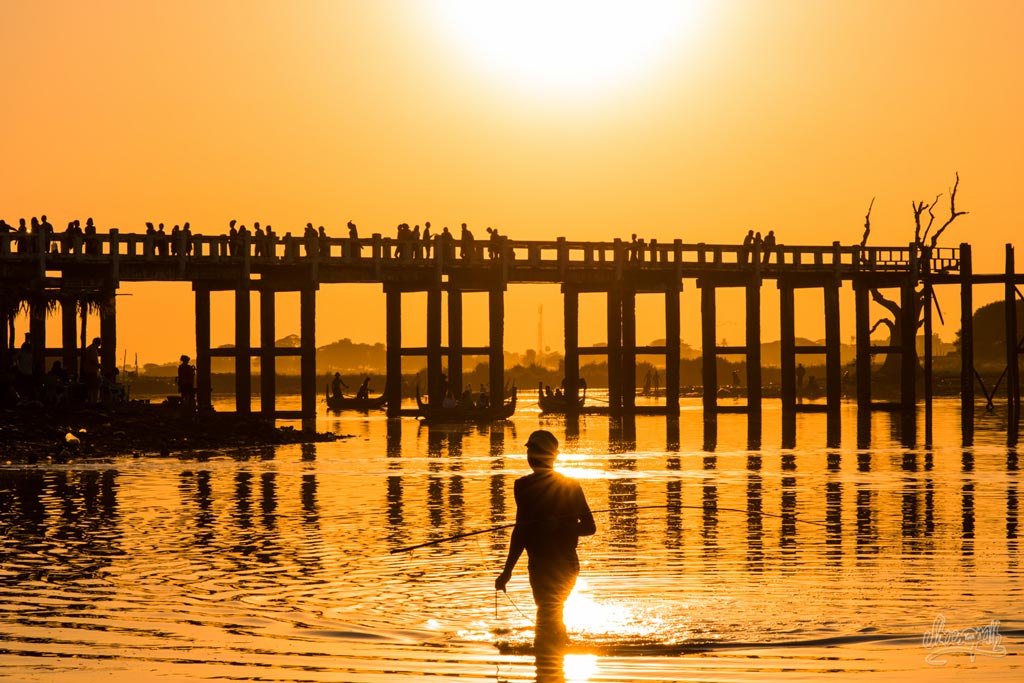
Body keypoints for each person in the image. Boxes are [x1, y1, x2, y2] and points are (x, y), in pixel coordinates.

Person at [496, 430, 596, 653]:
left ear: (548, 457)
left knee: (547, 612)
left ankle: (548, 662)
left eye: (536, 452)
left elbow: (590, 527)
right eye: (530, 451)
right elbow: (520, 531)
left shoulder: (570, 486)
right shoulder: (522, 486)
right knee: (549, 612)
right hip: (538, 565)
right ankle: (555, 657)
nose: (531, 456)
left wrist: (561, 527)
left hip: (564, 564)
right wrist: (507, 572)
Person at [82, 337, 102, 404]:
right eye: (99, 345)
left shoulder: (88, 349)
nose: (99, 347)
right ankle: (94, 401)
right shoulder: (93, 350)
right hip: (92, 371)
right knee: (94, 387)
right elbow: (93, 361)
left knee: (90, 387)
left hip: (87, 370)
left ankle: (91, 401)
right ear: (97, 343)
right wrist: (100, 366)